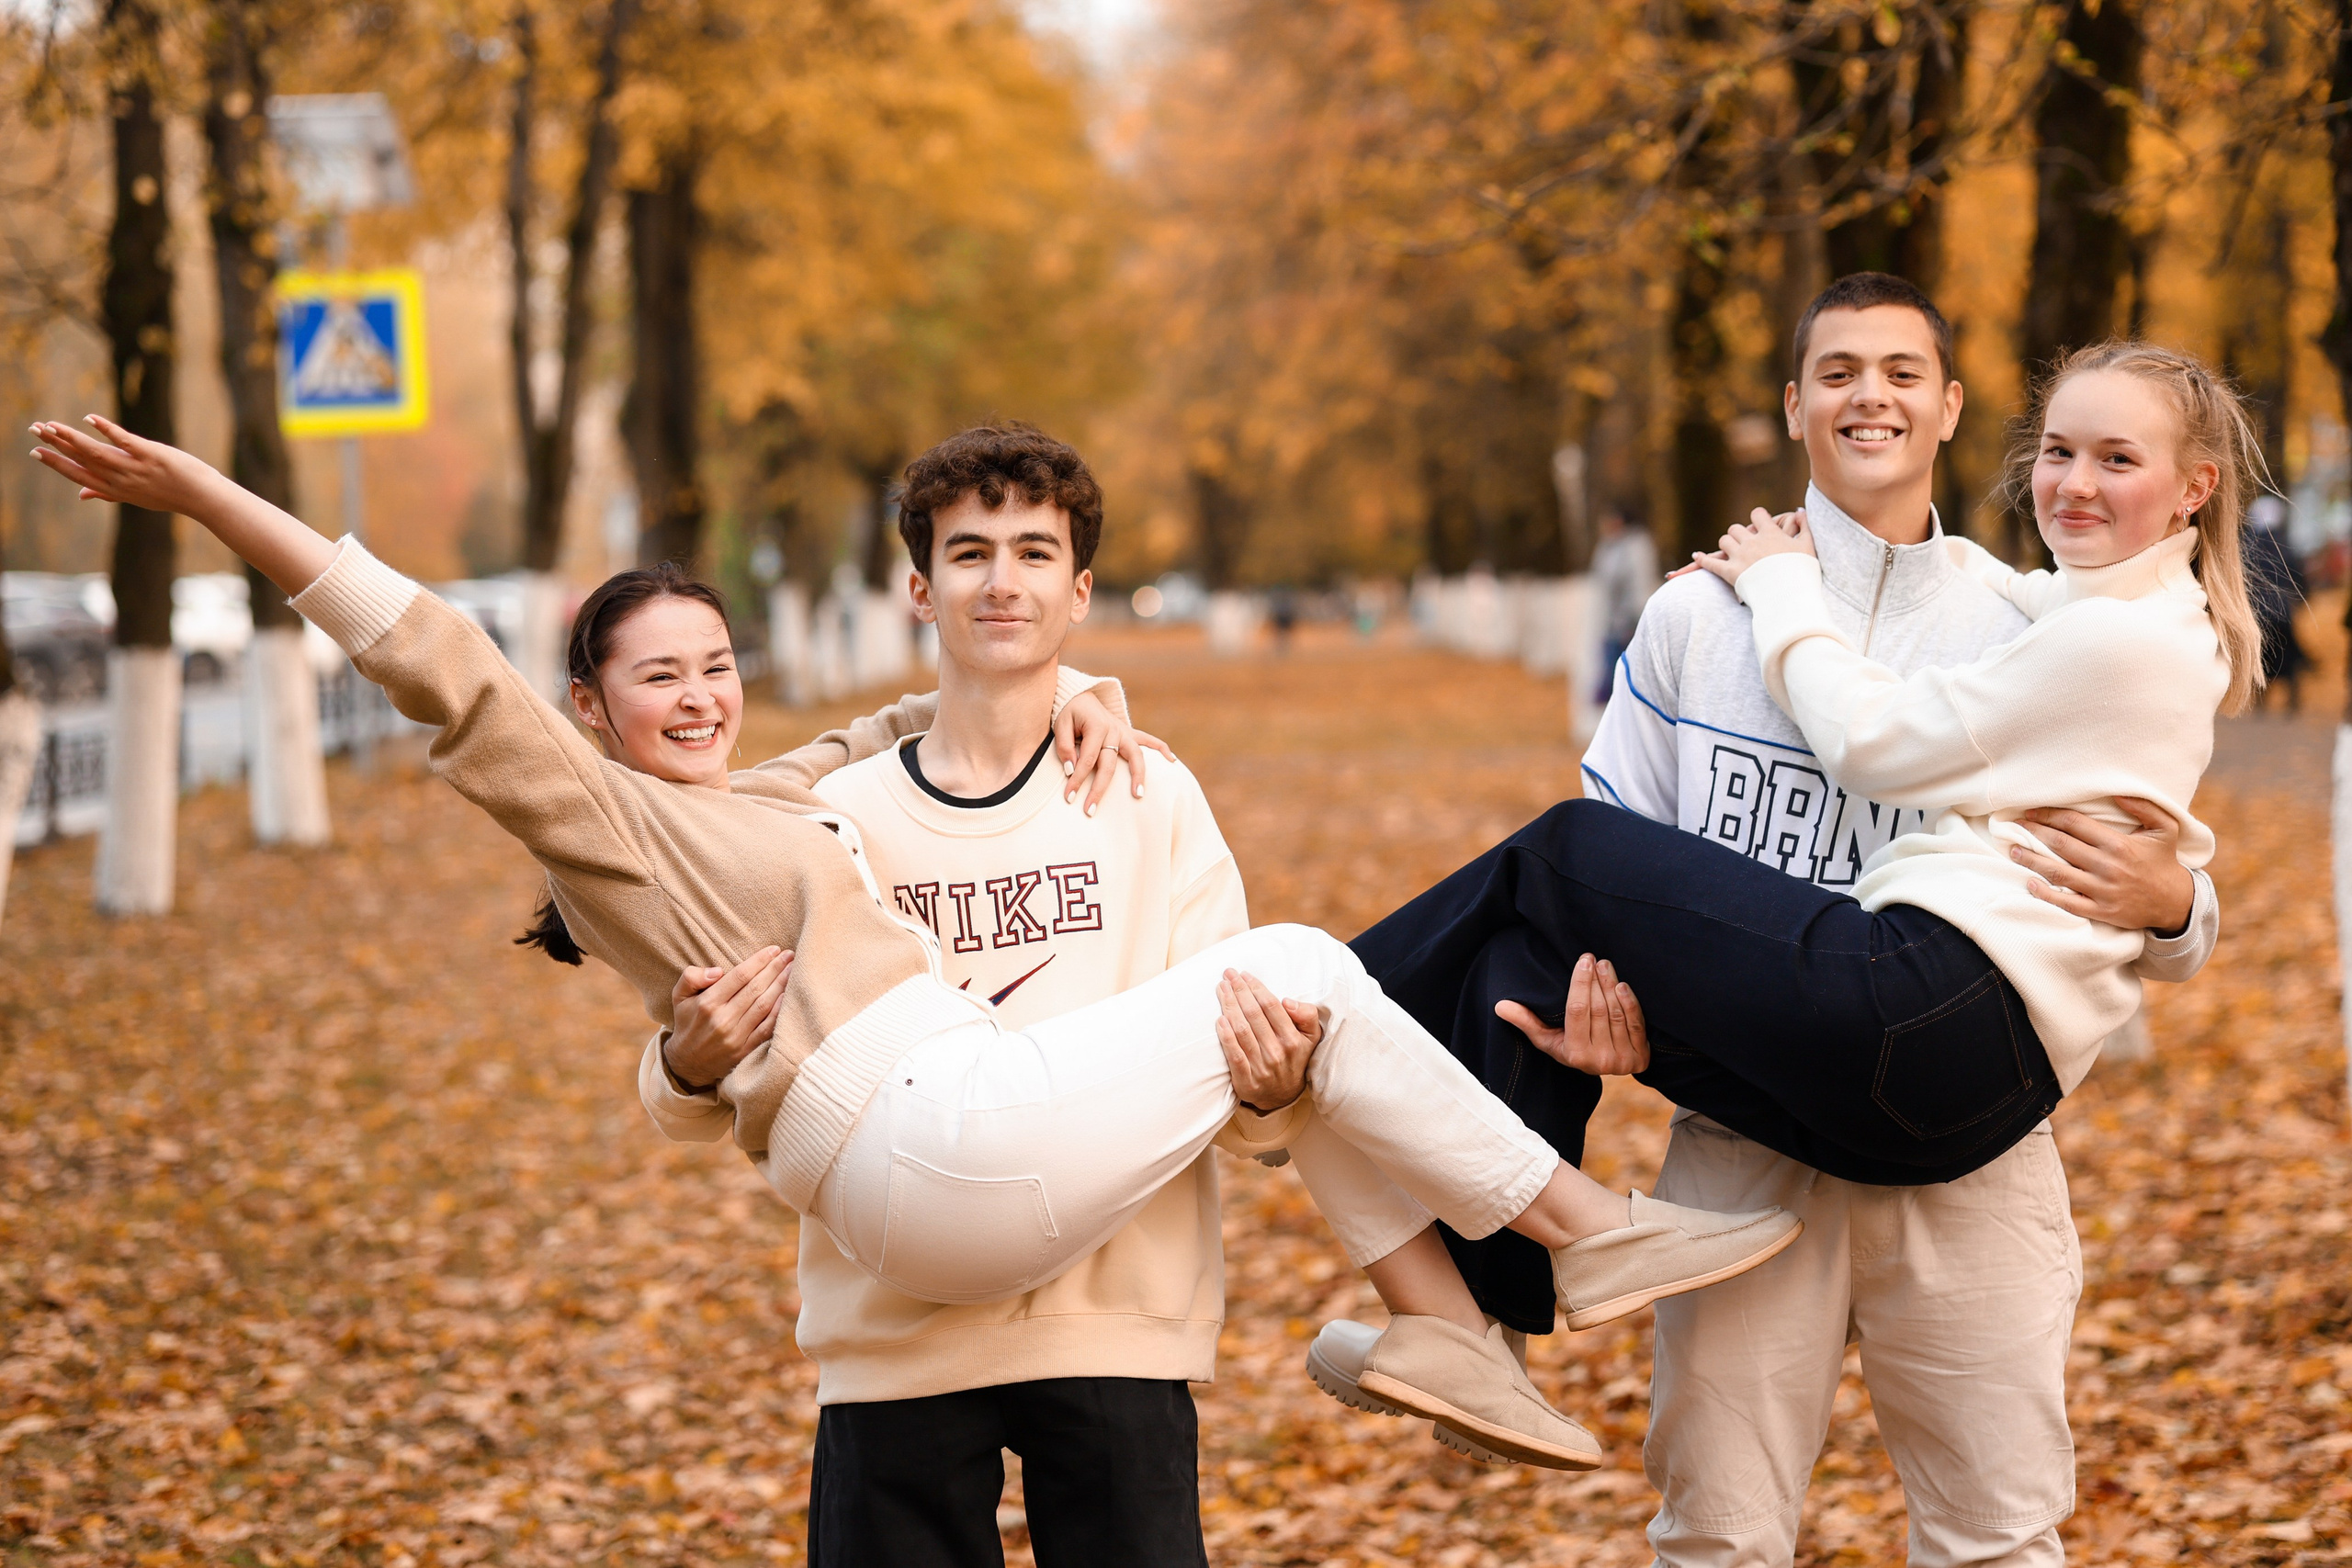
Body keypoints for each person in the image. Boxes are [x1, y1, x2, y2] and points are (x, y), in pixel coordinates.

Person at [28, 412, 1803, 1479]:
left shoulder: (778, 799)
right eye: (655, 678)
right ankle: (1580, 1241)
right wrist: (216, 500)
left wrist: (1079, 684)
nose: (697, 697)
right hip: (928, 1146)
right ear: (587, 711)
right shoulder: (599, 813)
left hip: (947, 1150)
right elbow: (437, 662)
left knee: (1289, 994)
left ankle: (1450, 1329)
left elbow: (898, 722)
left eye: (716, 666)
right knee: (1306, 964)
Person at [1323, 290, 2241, 1565]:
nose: (1872, 396)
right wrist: (1602, 1023)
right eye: (1839, 370)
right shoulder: (1695, 617)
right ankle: (1478, 1319)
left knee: (1997, 1529)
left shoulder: (2027, 613)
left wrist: (2180, 905)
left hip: (1962, 1139)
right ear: (1795, 402)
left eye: (1903, 371)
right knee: (1719, 1530)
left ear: (1950, 407)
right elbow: (1616, 859)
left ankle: (1323, 1030)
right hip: (1749, 1142)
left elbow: (2147, 820)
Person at [646, 425, 1261, 1565]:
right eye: (970, 553)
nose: (1002, 581)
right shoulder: (834, 819)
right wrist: (682, 1065)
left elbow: (1235, 1062)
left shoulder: (1148, 794)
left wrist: (1270, 1090)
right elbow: (702, 1044)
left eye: (1034, 553)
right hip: (894, 1333)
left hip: (1112, 1323)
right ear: (921, 590)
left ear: (1080, 592)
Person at [2245, 493, 2311, 713]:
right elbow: (2299, 578)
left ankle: (2261, 700)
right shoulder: (2286, 546)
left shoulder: (2247, 547)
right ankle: (2293, 699)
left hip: (2257, 612)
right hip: (2283, 610)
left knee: (2261, 655)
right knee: (2289, 655)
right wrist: (2302, 600)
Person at [1590, 507, 1658, 705]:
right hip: (1613, 622)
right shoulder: (1610, 546)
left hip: (1630, 621)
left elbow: (1638, 584)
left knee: (1628, 678)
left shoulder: (1635, 546)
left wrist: (1633, 619)